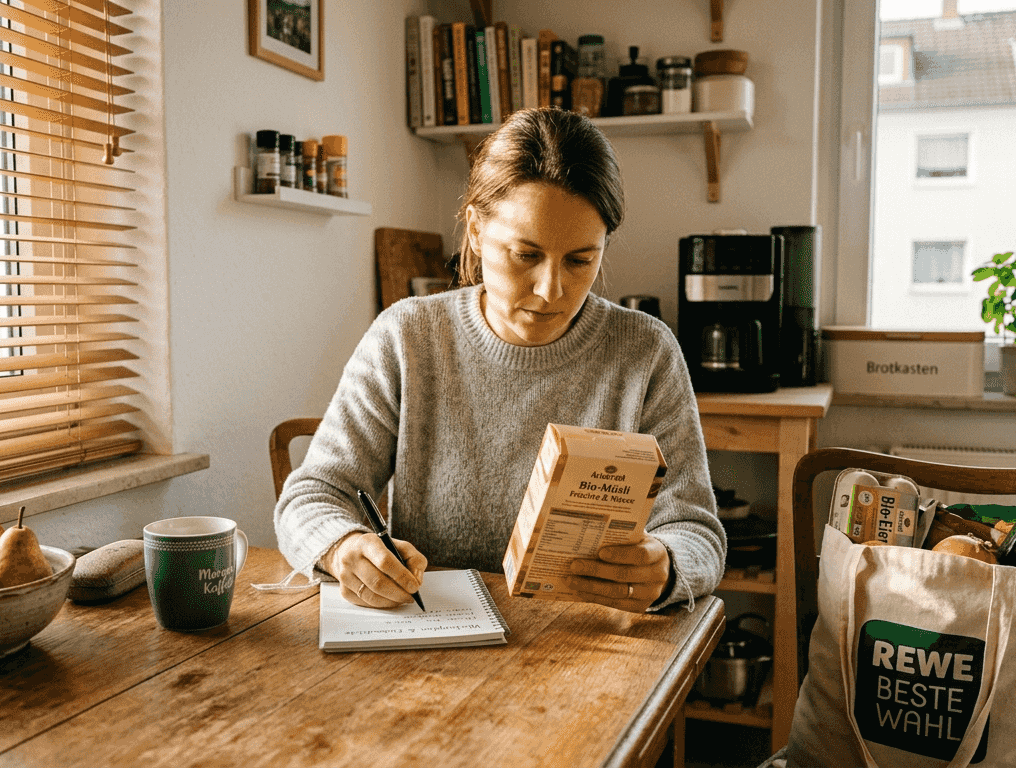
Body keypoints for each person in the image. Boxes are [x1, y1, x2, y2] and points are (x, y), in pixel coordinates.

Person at [273, 108, 725, 613]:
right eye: (525, 255)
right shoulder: (407, 336)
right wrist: (343, 547)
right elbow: (312, 496)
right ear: (474, 229)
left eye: (581, 260)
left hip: (587, 640)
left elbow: (696, 531)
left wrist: (668, 566)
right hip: (434, 632)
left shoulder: (646, 351)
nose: (551, 289)